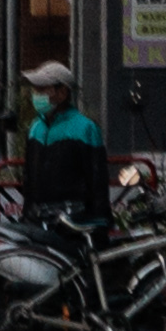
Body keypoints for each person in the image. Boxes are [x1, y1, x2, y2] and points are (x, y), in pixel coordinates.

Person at [15, 63, 110, 227]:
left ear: (62, 93)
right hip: (37, 221)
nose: (36, 95)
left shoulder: (85, 128)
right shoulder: (35, 127)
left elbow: (97, 182)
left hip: (74, 223)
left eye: (43, 89)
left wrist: (99, 223)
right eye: (36, 89)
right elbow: (29, 179)